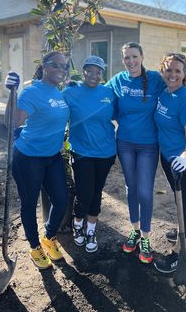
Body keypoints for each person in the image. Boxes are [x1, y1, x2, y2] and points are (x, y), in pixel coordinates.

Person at [5, 51, 70, 269]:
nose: (61, 70)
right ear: (44, 66)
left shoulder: (58, 92)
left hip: (52, 157)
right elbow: (13, 122)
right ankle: (35, 247)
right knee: (29, 204)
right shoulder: (32, 92)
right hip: (29, 158)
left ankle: (48, 237)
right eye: (56, 65)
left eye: (64, 66)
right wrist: (12, 94)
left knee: (62, 199)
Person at [107, 42, 165, 263]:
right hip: (125, 143)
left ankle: (146, 237)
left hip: (149, 145)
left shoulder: (155, 79)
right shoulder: (118, 80)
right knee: (130, 187)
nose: (130, 61)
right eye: (126, 58)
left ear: (142, 56)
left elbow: (174, 91)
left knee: (145, 190)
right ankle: (135, 229)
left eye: (134, 56)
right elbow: (100, 96)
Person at [63, 56, 116, 253]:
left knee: (96, 192)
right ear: (83, 71)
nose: (94, 75)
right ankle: (78, 225)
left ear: (102, 74)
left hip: (105, 152)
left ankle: (91, 229)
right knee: (84, 193)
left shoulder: (109, 93)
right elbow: (53, 107)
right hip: (82, 151)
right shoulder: (71, 92)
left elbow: (122, 113)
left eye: (98, 71)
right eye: (90, 71)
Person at [153, 53, 186, 274]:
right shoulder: (164, 93)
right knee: (177, 196)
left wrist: (185, 157)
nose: (173, 74)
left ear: (185, 74)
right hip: (168, 157)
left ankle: (181, 248)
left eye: (178, 71)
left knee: (184, 201)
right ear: (163, 70)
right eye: (169, 69)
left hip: (184, 161)